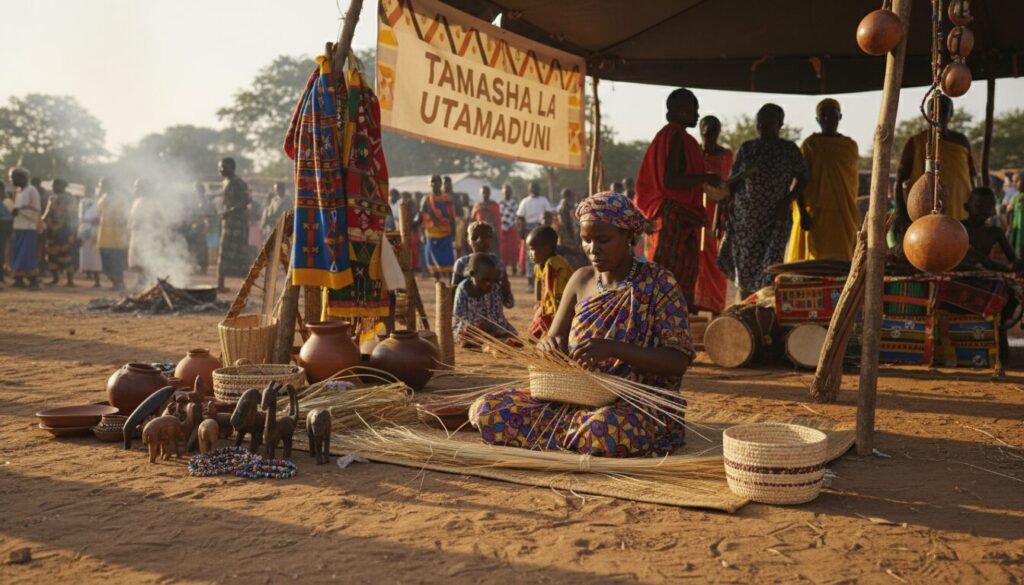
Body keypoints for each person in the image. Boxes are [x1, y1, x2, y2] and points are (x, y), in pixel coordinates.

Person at [470, 191, 695, 457]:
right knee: (489, 409)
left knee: (603, 430)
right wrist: (548, 347)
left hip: (637, 403)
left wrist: (614, 348)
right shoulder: (580, 280)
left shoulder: (659, 284)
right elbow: (551, 338)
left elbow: (677, 360)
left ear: (630, 237)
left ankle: (566, 435)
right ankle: (572, 436)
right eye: (586, 240)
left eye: (603, 240)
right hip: (574, 397)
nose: (592, 249)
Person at [635, 88, 723, 306]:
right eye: (695, 109)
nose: (697, 114)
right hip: (672, 217)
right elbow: (671, 181)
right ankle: (658, 327)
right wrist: (705, 178)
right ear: (683, 111)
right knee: (665, 278)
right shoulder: (675, 136)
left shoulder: (674, 137)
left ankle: (670, 327)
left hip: (677, 216)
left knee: (672, 280)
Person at [719, 104, 809, 299]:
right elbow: (731, 182)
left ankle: (766, 312)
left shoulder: (788, 150)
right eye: (759, 121)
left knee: (771, 268)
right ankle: (745, 310)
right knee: (745, 270)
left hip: (776, 219)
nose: (762, 125)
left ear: (780, 124)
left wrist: (790, 202)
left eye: (768, 121)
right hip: (746, 222)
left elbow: (803, 179)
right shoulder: (747, 148)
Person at [786, 99, 860, 263]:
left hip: (842, 215)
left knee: (841, 264)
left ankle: (840, 290)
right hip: (814, 215)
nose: (827, 119)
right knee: (813, 264)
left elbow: (851, 184)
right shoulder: (811, 145)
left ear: (840, 117)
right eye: (823, 115)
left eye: (832, 115)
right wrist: (803, 213)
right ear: (817, 119)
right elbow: (800, 179)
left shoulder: (849, 146)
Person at [896, 95, 976, 223]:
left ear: (951, 114)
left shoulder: (961, 141)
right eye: (933, 110)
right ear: (927, 114)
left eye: (943, 110)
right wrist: (902, 213)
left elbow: (972, 178)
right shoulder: (916, 142)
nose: (938, 114)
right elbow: (901, 178)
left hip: (960, 212)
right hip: (925, 214)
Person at [693, 115, 733, 314]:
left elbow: (730, 185)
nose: (709, 136)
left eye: (713, 132)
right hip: (695, 215)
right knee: (695, 261)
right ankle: (693, 307)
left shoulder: (726, 156)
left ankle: (716, 308)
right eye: (706, 132)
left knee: (716, 263)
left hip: (718, 218)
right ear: (701, 132)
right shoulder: (694, 154)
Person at [452, 253, 517, 347]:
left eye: (492, 280)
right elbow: (459, 318)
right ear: (472, 274)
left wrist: (507, 289)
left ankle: (490, 342)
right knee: (466, 336)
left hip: (493, 328)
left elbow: (505, 308)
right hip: (472, 329)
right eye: (484, 280)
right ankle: (493, 343)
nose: (489, 284)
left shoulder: (494, 288)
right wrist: (477, 325)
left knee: (512, 336)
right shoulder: (463, 290)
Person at [451, 220, 513, 309]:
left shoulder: (496, 262)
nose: (479, 241)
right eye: (474, 237)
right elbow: (453, 296)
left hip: (493, 317)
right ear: (468, 240)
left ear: (490, 238)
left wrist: (505, 287)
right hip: (467, 316)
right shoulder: (461, 263)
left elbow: (508, 303)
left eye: (484, 237)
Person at [526, 225, 572, 338]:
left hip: (560, 306)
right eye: (529, 249)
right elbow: (538, 282)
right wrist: (538, 302)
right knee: (536, 329)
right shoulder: (539, 265)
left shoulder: (554, 265)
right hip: (547, 306)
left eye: (532, 249)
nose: (530, 253)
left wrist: (558, 311)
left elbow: (559, 292)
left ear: (547, 248)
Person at [216, 157, 251, 291]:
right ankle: (220, 285)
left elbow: (246, 200)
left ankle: (245, 286)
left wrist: (231, 211)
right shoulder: (225, 182)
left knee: (240, 252)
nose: (220, 170)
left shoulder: (238, 182)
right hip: (228, 221)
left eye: (223, 167)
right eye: (219, 167)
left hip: (238, 222)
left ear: (231, 167)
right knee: (224, 251)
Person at [516, 181, 554, 291]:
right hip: (529, 230)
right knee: (530, 256)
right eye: (532, 188)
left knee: (543, 255)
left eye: (536, 187)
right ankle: (530, 283)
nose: (534, 189)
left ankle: (543, 282)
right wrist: (522, 230)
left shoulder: (544, 200)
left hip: (541, 228)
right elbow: (521, 217)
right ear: (529, 189)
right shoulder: (525, 201)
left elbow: (548, 214)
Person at [9, 168, 41, 289]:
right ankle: (19, 279)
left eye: (14, 178)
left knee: (27, 254)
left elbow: (36, 210)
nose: (12, 181)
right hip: (18, 227)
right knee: (18, 253)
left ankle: (34, 281)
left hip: (29, 228)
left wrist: (20, 211)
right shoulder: (18, 191)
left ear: (23, 178)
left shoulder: (32, 190)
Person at [96, 177, 129, 291]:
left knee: (116, 262)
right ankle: (115, 284)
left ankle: (120, 284)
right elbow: (100, 214)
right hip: (104, 236)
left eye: (102, 185)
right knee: (107, 262)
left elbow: (124, 217)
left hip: (116, 237)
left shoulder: (120, 198)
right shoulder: (102, 198)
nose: (100, 187)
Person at [421, 174, 456, 279]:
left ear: (441, 183)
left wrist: (454, 232)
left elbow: (452, 217)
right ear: (429, 184)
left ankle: (451, 286)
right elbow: (421, 217)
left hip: (446, 235)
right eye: (432, 181)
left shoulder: (447, 199)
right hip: (432, 235)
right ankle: (438, 285)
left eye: (437, 181)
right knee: (434, 264)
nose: (434, 183)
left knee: (449, 262)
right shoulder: (426, 199)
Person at [42, 178, 76, 286]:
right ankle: (55, 278)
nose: (53, 188)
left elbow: (72, 215)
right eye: (52, 186)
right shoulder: (52, 197)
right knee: (51, 254)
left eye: (55, 186)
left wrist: (72, 230)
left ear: (62, 186)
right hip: (52, 230)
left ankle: (70, 280)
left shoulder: (69, 198)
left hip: (65, 230)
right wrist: (42, 221)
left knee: (66, 254)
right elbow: (47, 212)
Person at [127, 178, 153, 286]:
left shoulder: (148, 202)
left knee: (143, 259)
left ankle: (145, 282)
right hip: (136, 233)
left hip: (144, 234)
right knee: (137, 259)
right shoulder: (137, 201)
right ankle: (140, 281)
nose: (136, 189)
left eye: (138, 187)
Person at [555, 188, 587, 269]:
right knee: (569, 252)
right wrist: (571, 235)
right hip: (567, 235)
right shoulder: (564, 207)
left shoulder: (568, 205)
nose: (573, 196)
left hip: (568, 234)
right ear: (568, 196)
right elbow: (565, 224)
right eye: (571, 194)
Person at [77, 184, 103, 287]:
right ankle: (90, 275)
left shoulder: (98, 203)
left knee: (95, 255)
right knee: (85, 254)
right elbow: (80, 218)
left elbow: (99, 218)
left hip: (94, 230)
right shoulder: (82, 202)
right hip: (84, 229)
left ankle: (97, 280)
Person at [498, 184, 520, 275]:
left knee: (513, 248)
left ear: (511, 192)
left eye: (508, 191)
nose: (506, 193)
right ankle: (504, 268)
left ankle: (514, 267)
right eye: (505, 191)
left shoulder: (514, 203)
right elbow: (498, 216)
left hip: (512, 229)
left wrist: (514, 225)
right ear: (503, 192)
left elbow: (517, 215)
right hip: (503, 230)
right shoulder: (500, 203)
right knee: (503, 249)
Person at [0, 180, 12, 284]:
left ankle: (1, 276)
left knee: (2, 253)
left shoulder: (3, 203)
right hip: (3, 229)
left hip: (4, 230)